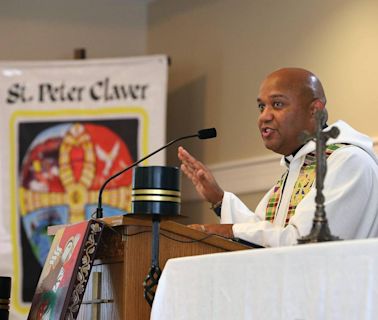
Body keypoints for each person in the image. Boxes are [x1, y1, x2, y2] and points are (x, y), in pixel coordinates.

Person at [178, 67, 378, 247]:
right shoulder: (297, 167)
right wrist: (219, 199)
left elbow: (307, 242)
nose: (264, 116)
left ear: (314, 110)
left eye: (277, 104)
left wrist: (229, 230)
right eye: (261, 107)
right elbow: (264, 233)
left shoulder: (349, 162)